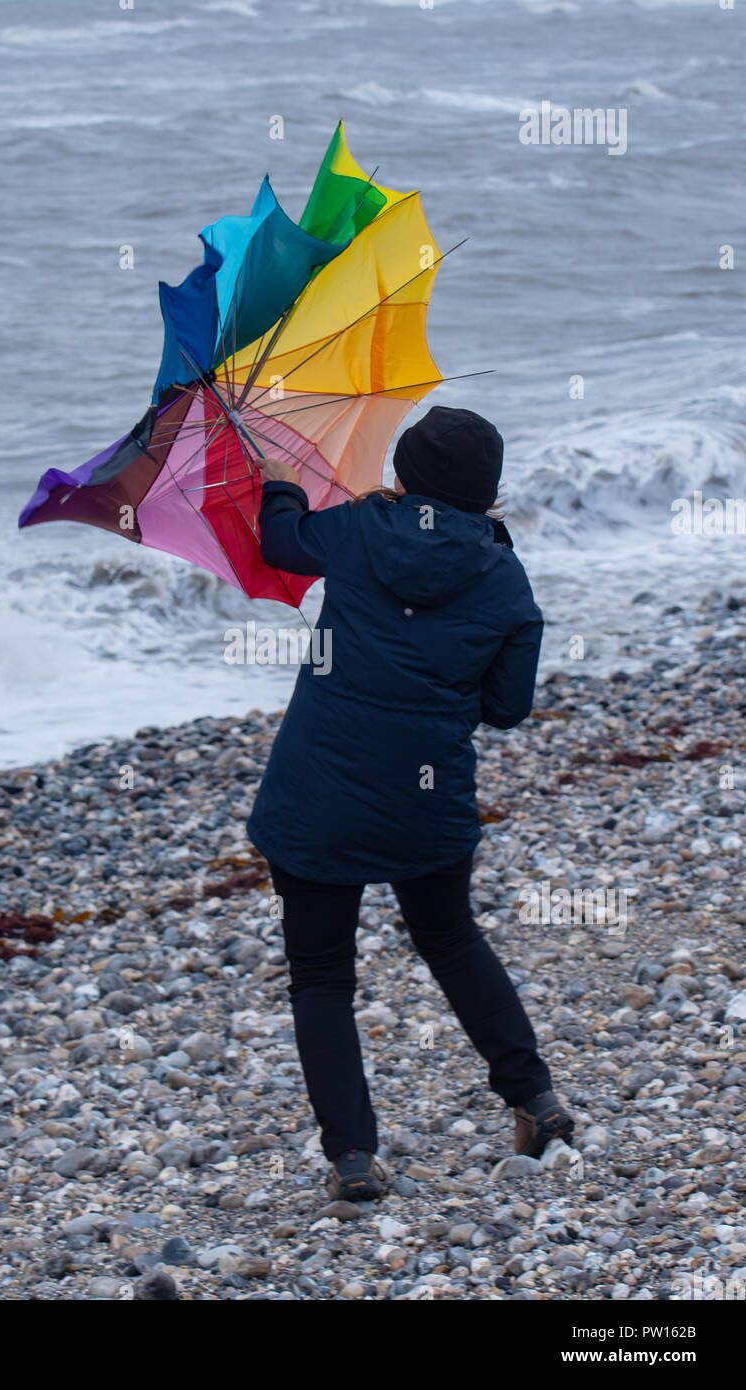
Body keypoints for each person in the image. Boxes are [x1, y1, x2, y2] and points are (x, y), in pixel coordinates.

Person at [246, 406, 574, 1203]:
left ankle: (354, 1160)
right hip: (427, 802)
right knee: (452, 940)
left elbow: (281, 544)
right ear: (487, 492)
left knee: (322, 976)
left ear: (403, 474)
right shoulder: (504, 577)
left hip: (317, 794)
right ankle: (536, 1098)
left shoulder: (357, 530)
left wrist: (281, 486)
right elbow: (507, 707)